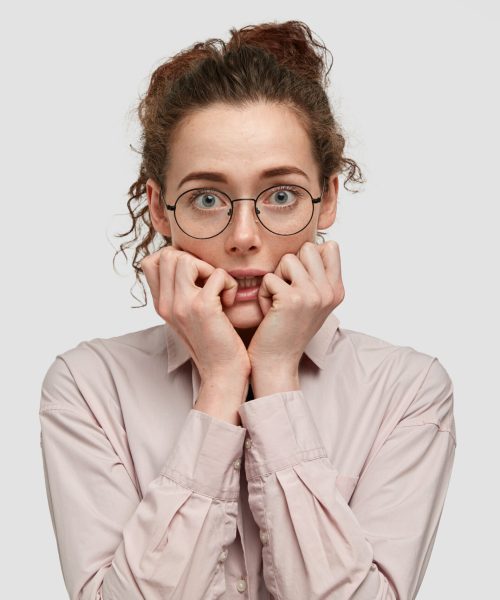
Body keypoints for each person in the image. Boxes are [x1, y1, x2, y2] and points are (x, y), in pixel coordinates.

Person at [39, 20, 457, 600]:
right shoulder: (89, 387)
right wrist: (221, 383)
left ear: (328, 198)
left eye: (280, 195)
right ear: (160, 210)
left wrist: (278, 377)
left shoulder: (407, 391)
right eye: (207, 198)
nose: (243, 236)